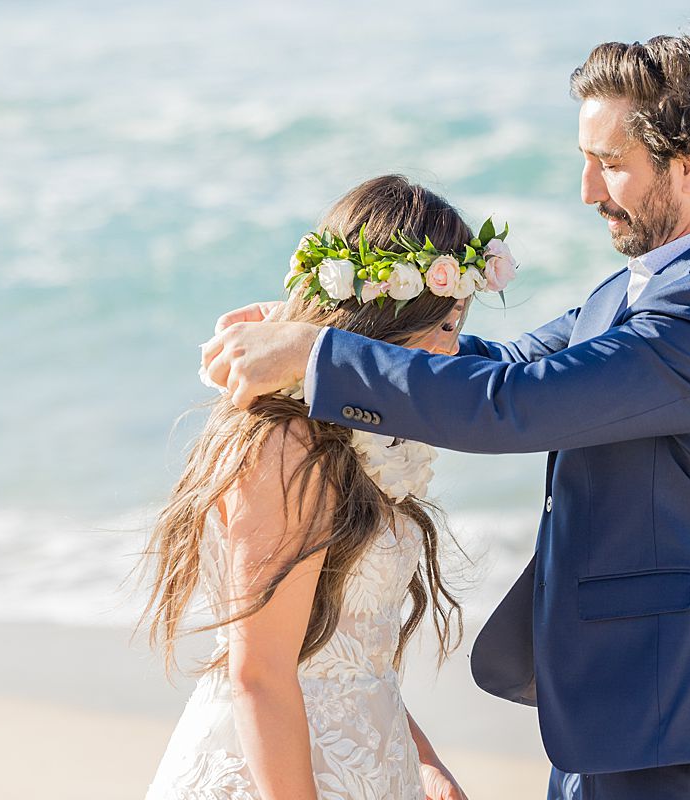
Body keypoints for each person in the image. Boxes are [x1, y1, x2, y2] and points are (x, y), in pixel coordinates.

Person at [201, 27, 690, 800]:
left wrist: (317, 361)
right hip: (634, 716)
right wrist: (325, 330)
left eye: (611, 164)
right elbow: (502, 365)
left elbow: (512, 407)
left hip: (688, 722)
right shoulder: (652, 287)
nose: (588, 190)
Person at [137, 174, 504, 800]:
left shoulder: (366, 438)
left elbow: (343, 662)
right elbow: (261, 676)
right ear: (386, 317)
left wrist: (423, 763)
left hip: (366, 769)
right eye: (443, 326)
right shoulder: (288, 446)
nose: (455, 354)